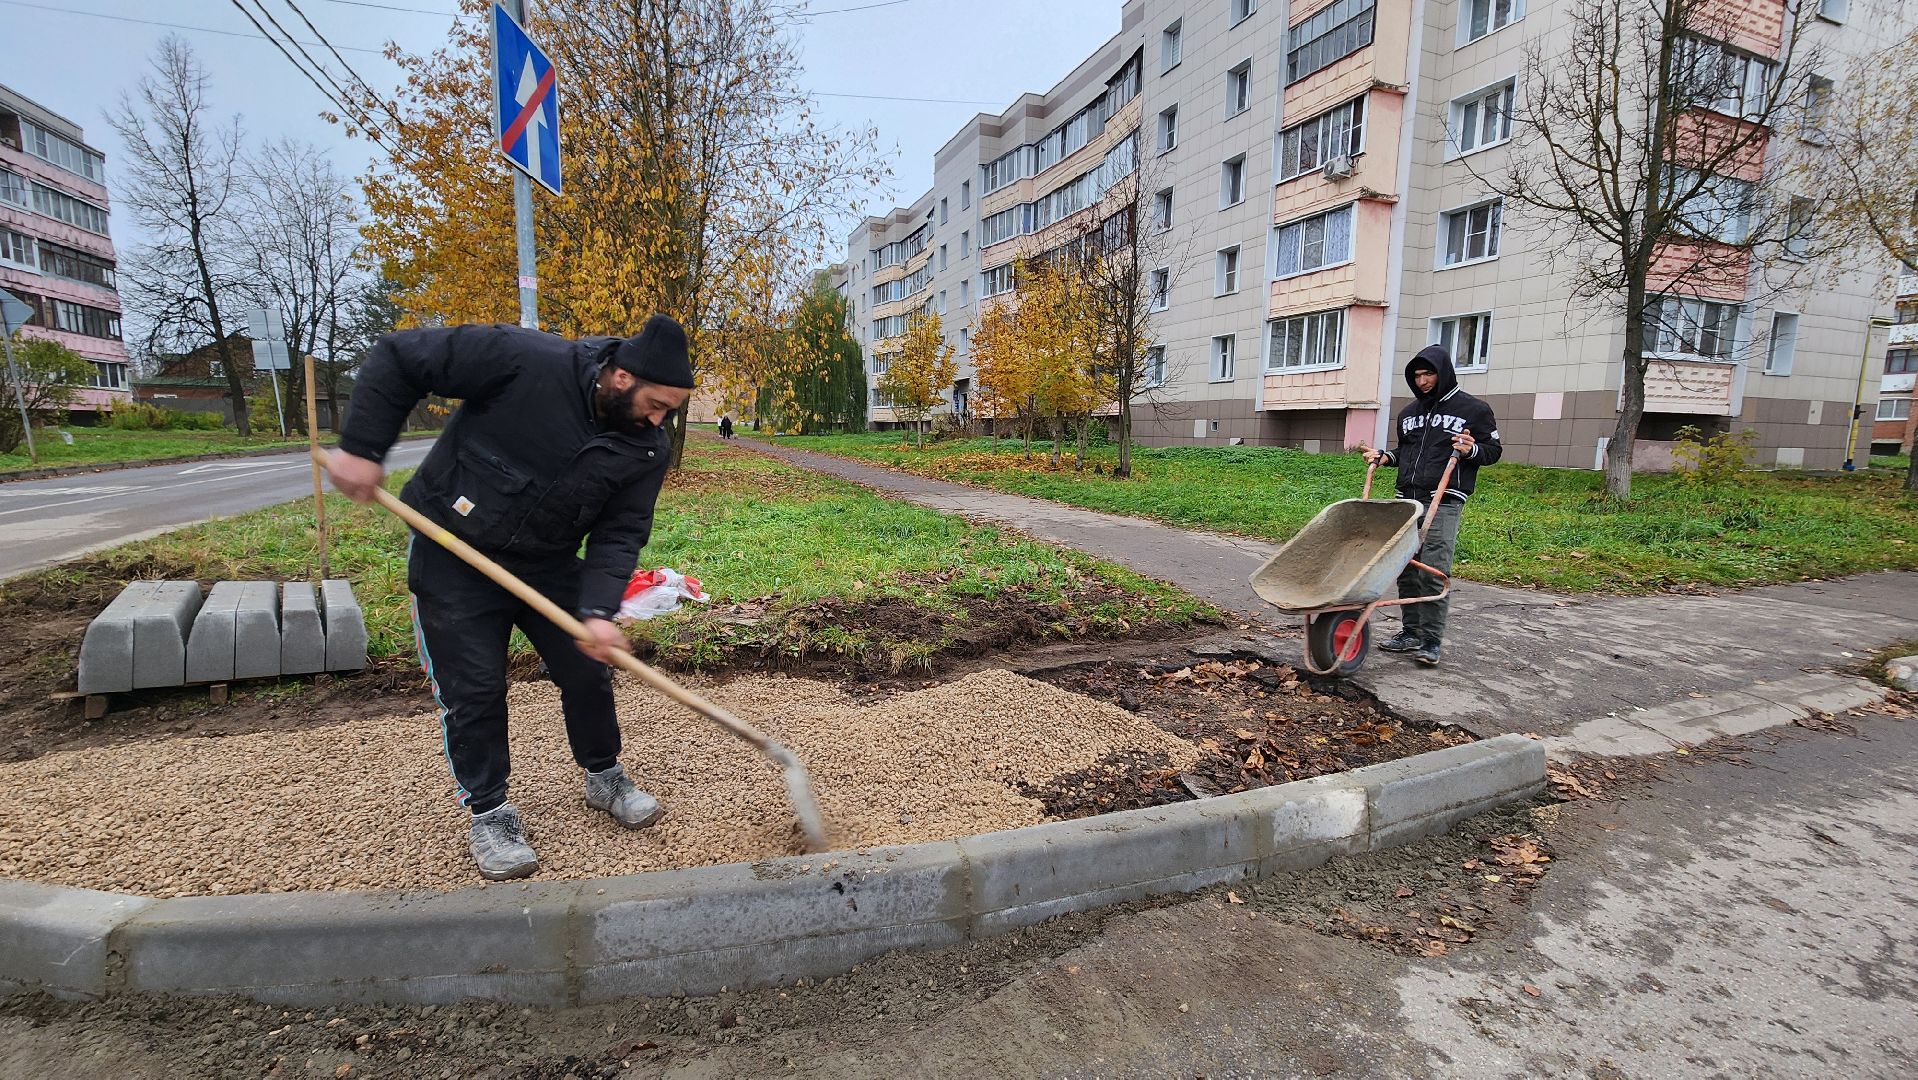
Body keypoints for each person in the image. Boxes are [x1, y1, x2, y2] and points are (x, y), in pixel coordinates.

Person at [327, 315, 693, 881]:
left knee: (589, 666)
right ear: (621, 376)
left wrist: (596, 612)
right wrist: (361, 447)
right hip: (455, 551)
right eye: (657, 404)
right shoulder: (524, 359)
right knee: (473, 688)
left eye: (670, 411)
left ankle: (604, 774)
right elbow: (401, 356)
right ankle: (490, 812)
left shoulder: (645, 449)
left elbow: (620, 533)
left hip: (545, 562)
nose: (661, 419)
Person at [1360, 344, 1502, 668]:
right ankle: (1410, 632)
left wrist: (1471, 449)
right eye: (1417, 375)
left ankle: (1431, 640)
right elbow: (1407, 451)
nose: (1423, 381)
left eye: (1429, 374)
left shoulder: (1474, 410)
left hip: (1445, 498)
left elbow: (1493, 451)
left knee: (1434, 569)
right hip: (1407, 500)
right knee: (1405, 567)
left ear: (1443, 373)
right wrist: (1386, 457)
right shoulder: (1409, 413)